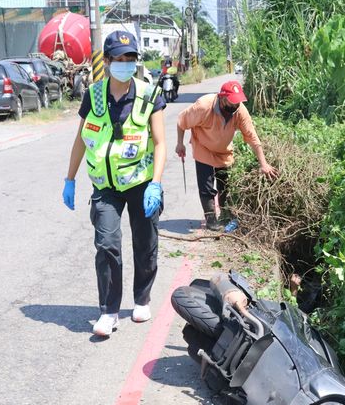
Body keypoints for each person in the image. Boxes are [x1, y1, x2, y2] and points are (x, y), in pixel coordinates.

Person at [63, 30, 167, 338]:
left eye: (130, 58)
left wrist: (156, 184)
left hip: (140, 182)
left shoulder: (150, 94)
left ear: (136, 61)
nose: (125, 64)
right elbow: (81, 140)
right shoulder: (94, 94)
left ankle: (142, 298)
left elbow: (160, 143)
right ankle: (108, 311)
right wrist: (69, 178)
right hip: (105, 185)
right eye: (118, 59)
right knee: (106, 244)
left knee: (145, 243)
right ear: (106, 62)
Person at [175, 80, 277, 231]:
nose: (235, 106)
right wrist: (179, 143)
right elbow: (181, 122)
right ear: (222, 98)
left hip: (223, 150)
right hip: (203, 146)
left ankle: (225, 214)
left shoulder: (239, 111)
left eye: (237, 102)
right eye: (232, 102)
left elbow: (252, 137)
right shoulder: (204, 106)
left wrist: (264, 164)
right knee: (207, 185)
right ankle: (210, 218)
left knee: (224, 184)